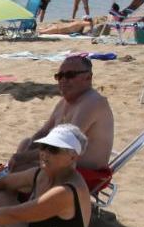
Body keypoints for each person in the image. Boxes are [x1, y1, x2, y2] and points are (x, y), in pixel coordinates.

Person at [9, 56, 114, 191]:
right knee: (26, 143)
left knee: (21, 170)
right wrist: (26, 150)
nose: (63, 80)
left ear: (88, 77)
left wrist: (22, 157)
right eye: (60, 76)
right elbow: (43, 132)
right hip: (62, 162)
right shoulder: (66, 102)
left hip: (84, 174)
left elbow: (63, 146)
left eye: (70, 75)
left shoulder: (93, 102)